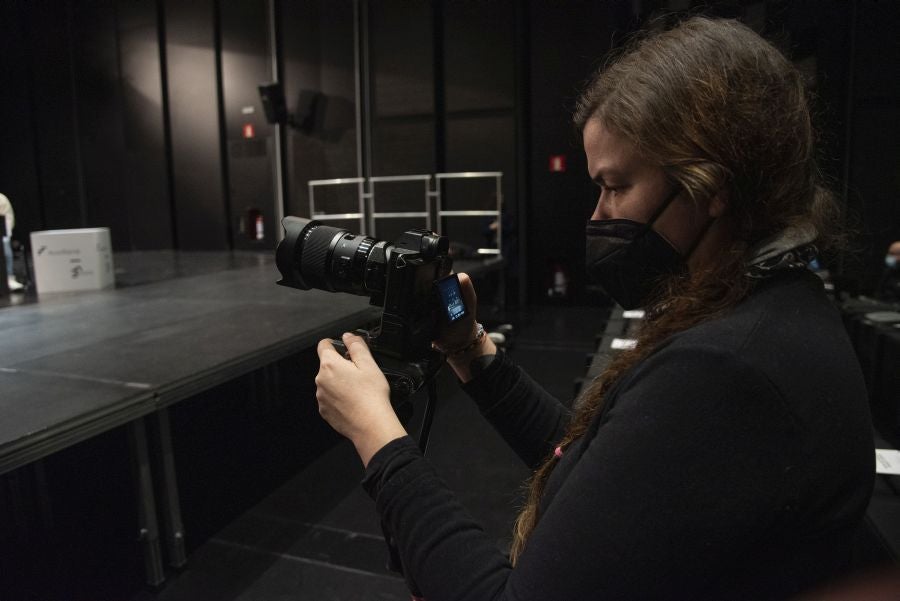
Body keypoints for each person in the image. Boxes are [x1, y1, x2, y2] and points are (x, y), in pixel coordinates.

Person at [315, 16, 874, 601]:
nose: (599, 215)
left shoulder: (725, 372)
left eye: (616, 185)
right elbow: (604, 468)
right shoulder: (766, 308)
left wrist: (375, 433)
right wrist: (470, 351)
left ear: (711, 186)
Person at [0, 192, 24, 292]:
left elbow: (6, 222)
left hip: (2, 235)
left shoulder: (1, 199)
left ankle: (9, 277)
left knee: (5, 249)